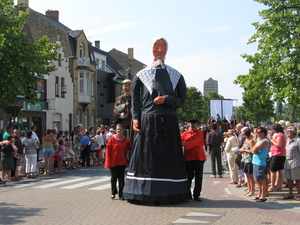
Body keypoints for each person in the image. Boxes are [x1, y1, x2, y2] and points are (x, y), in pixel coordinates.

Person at [123, 37, 191, 204]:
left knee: (167, 158)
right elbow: (135, 100)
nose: (159, 50)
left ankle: (172, 191)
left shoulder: (176, 75)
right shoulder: (142, 74)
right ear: (151, 48)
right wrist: (136, 118)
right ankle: (142, 191)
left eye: (163, 46)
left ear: (167, 49)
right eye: (156, 46)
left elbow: (181, 101)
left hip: (168, 123)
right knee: (147, 158)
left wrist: (167, 99)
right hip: (147, 122)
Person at [181, 119, 206, 202]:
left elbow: (196, 142)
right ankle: (187, 194)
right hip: (188, 158)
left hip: (198, 158)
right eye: (191, 124)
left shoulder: (199, 133)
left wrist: (185, 144)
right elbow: (178, 140)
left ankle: (196, 195)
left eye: (194, 124)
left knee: (198, 178)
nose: (193, 125)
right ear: (189, 124)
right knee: (189, 177)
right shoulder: (185, 133)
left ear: (197, 124)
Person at [105, 124, 132, 200]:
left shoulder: (125, 140)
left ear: (123, 131)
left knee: (121, 178)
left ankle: (121, 194)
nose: (119, 131)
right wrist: (108, 161)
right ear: (115, 131)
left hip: (122, 162)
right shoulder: (112, 139)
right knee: (114, 177)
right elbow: (108, 151)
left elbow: (130, 148)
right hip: (113, 162)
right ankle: (113, 193)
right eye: (118, 129)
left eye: (120, 129)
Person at [250, 127, 269, 202]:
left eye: (258, 132)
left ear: (263, 133)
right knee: (257, 179)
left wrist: (254, 150)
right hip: (255, 162)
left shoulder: (264, 141)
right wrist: (254, 150)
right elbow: (252, 150)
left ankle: (263, 196)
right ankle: (259, 194)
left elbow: (253, 149)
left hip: (260, 163)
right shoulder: (259, 141)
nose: (256, 134)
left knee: (261, 179)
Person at [282, 126, 300, 200]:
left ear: (294, 132)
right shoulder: (287, 140)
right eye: (287, 131)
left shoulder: (298, 140)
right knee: (288, 178)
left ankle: (299, 194)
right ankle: (290, 193)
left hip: (295, 161)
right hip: (287, 161)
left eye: (290, 131)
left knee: (297, 179)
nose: (288, 133)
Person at [268, 123, 286, 192]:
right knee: (280, 171)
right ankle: (279, 186)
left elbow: (279, 144)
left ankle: (272, 186)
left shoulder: (279, 135)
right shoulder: (282, 135)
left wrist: (272, 140)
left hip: (277, 154)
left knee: (272, 171)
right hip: (281, 154)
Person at [240, 127, 256, 197]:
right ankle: (249, 189)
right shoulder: (246, 140)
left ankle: (252, 190)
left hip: (250, 160)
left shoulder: (251, 141)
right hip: (245, 159)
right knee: (247, 175)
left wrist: (244, 150)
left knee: (250, 176)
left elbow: (252, 151)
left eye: (243, 134)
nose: (242, 135)